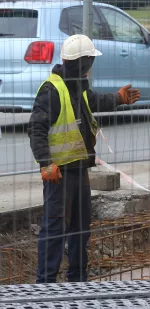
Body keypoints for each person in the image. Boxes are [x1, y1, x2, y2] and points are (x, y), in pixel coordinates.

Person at [27, 34, 140, 283]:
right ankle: (45, 285)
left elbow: (94, 101)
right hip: (59, 174)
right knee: (55, 229)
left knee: (80, 229)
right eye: (89, 61)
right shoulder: (52, 90)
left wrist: (118, 99)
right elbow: (36, 128)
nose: (91, 67)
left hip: (79, 170)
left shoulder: (78, 85)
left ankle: (78, 280)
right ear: (81, 63)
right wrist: (45, 163)